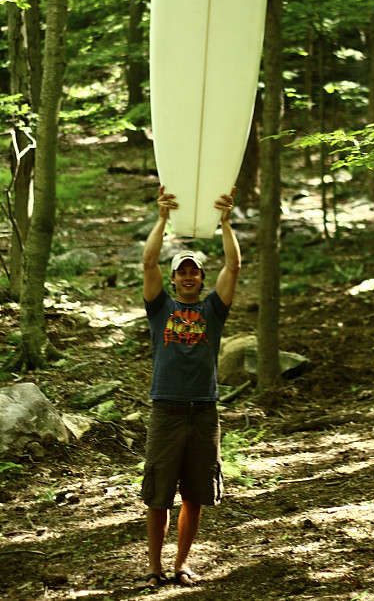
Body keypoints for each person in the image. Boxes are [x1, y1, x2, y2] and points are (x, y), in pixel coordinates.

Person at [139, 185, 241, 589]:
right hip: (166, 409)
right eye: (180, 271)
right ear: (174, 277)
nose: (186, 276)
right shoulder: (159, 306)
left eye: (193, 271)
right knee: (158, 495)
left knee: (194, 494)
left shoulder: (213, 310)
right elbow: (148, 260)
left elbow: (233, 268)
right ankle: (153, 567)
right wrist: (162, 219)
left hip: (204, 410)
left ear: (200, 277)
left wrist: (226, 222)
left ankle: (181, 564)